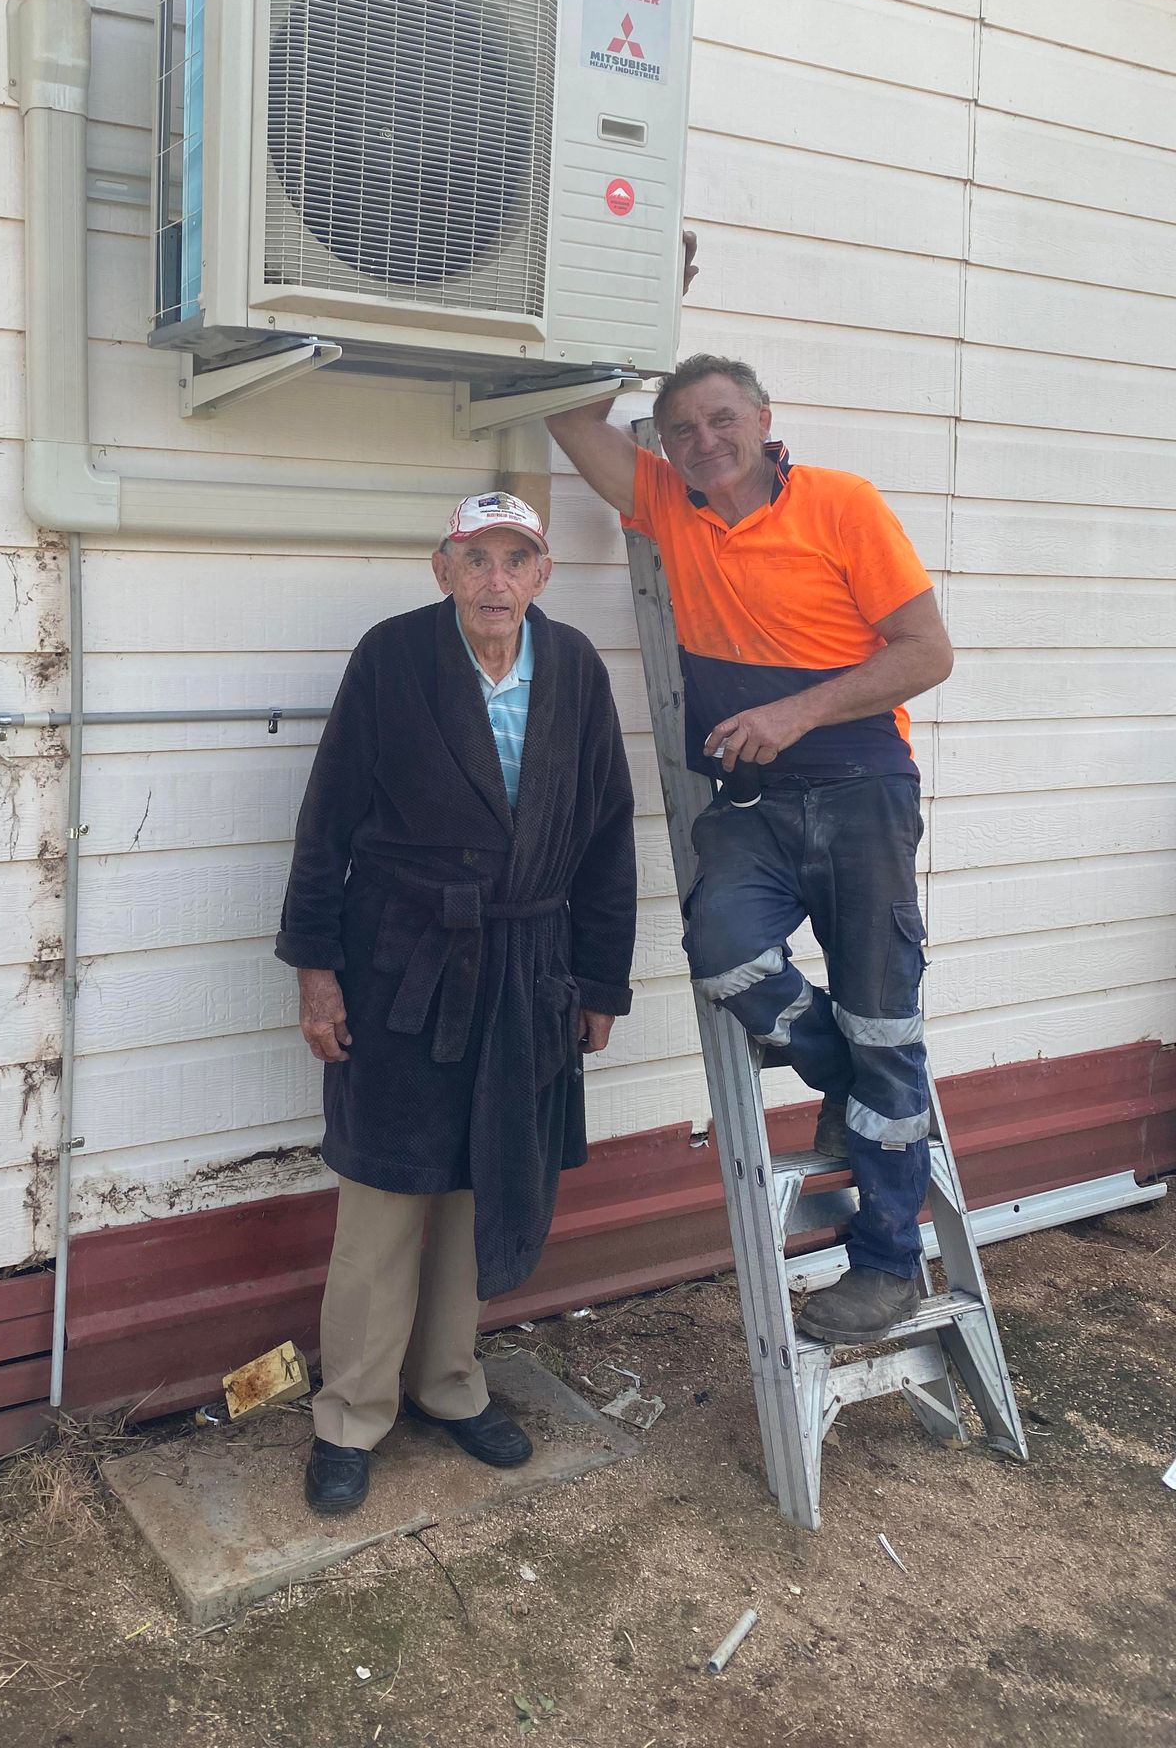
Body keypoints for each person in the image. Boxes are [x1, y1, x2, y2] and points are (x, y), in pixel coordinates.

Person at [546, 353, 954, 1345]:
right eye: (681, 428)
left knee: (885, 1022)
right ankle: (841, 1075)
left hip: (861, 789)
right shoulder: (666, 501)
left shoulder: (842, 504)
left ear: (764, 417)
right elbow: (569, 418)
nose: (703, 442)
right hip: (755, 800)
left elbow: (926, 652)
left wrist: (796, 710)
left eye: (721, 419)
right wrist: (624, 306)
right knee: (725, 948)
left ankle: (889, 1263)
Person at [276, 490, 636, 1513]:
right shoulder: (391, 658)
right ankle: (351, 1410)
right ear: (443, 567)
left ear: (542, 573)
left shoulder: (573, 670)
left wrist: (600, 977)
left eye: (515, 557)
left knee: (486, 1178)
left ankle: (448, 1383)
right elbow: (326, 823)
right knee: (387, 1196)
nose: (496, 579)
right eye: (476, 557)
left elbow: (609, 832)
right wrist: (316, 970)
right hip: (400, 965)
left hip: (528, 966)